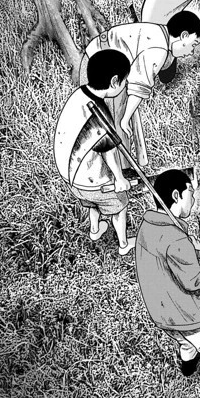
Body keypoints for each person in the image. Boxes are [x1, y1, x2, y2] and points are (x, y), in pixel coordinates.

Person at [135, 169, 200, 386]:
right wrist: (199, 253)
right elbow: (195, 280)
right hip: (190, 315)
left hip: (163, 312)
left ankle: (188, 366)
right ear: (176, 195)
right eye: (190, 192)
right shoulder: (175, 238)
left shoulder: (147, 226)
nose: (193, 198)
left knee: (186, 342)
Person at [81, 10, 200, 168]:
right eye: (193, 44)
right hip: (99, 68)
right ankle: (121, 170)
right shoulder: (158, 48)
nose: (191, 52)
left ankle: (123, 168)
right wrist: (125, 119)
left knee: (115, 122)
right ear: (184, 35)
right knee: (116, 125)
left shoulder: (159, 34)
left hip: (104, 64)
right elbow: (138, 86)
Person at [53, 49, 136, 256]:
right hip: (91, 181)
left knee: (93, 204)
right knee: (119, 204)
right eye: (125, 81)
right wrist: (119, 179)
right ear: (115, 81)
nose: (125, 84)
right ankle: (124, 244)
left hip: (71, 178)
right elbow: (108, 152)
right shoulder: (98, 113)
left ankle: (95, 230)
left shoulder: (80, 94)